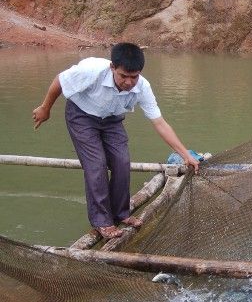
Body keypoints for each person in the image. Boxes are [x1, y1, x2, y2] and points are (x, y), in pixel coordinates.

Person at [32, 43, 199, 239]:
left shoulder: (142, 87)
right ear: (112, 67)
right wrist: (45, 108)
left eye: (134, 77)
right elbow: (60, 81)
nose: (129, 82)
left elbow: (160, 123)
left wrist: (186, 155)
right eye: (123, 76)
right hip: (82, 115)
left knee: (122, 162)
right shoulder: (91, 71)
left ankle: (121, 214)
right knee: (96, 165)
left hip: (112, 119)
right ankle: (102, 222)